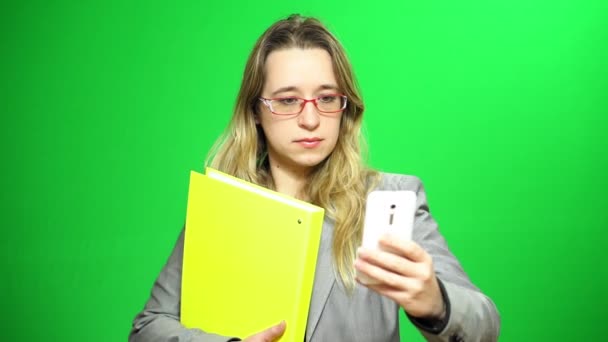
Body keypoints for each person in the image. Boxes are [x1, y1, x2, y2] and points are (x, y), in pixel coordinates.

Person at [129, 14, 500, 342]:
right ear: (256, 110)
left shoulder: (388, 199)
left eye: (326, 98)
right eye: (288, 100)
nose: (310, 120)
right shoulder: (224, 204)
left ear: (345, 106)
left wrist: (435, 302)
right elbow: (148, 329)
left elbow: (485, 326)